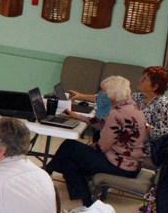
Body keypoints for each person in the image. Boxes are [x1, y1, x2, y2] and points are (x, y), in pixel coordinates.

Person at [46, 75, 146, 206]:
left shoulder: (117, 112)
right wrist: (78, 117)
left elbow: (102, 147)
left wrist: (86, 149)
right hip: (131, 164)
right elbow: (104, 124)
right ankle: (86, 205)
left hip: (119, 165)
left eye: (103, 91)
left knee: (69, 146)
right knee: (69, 161)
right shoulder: (131, 105)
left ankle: (45, 175)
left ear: (113, 94)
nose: (100, 93)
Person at [70, 66, 168, 149]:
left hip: (143, 147)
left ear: (155, 86)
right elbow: (109, 97)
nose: (140, 81)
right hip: (126, 138)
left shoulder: (164, 105)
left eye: (144, 79)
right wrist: (81, 96)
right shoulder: (138, 96)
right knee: (101, 132)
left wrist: (144, 128)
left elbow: (163, 136)